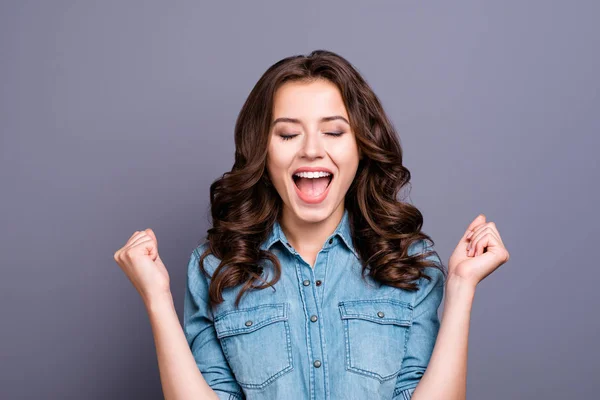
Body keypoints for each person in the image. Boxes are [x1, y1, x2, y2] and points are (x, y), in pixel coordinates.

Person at [114, 50, 510, 400]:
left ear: (361, 147)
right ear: (262, 152)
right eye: (288, 134)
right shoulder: (217, 265)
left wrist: (460, 289)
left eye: (334, 131)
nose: (311, 149)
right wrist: (156, 298)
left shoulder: (408, 262)